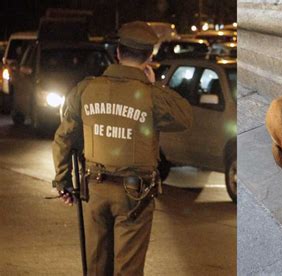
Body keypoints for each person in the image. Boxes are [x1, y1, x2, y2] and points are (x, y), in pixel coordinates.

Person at [52, 21, 192, 275]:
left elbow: (64, 138)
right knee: (127, 269)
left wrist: (63, 182)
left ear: (117, 52)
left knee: (96, 267)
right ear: (149, 56)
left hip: (95, 190)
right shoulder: (150, 96)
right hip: (134, 195)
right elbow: (184, 117)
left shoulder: (86, 89)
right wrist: (156, 86)